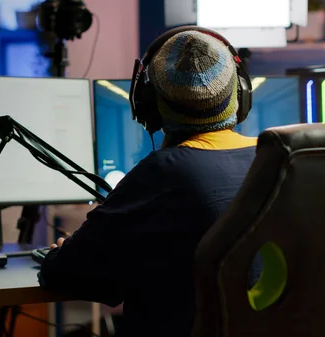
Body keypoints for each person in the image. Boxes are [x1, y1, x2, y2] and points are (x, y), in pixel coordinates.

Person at [38, 27, 260, 337]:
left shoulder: (161, 174)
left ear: (149, 106)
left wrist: (61, 252)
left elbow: (67, 274)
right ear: (240, 94)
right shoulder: (274, 160)